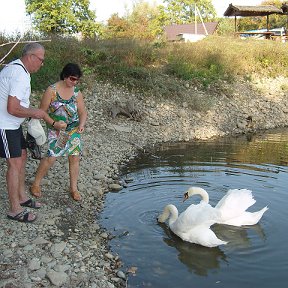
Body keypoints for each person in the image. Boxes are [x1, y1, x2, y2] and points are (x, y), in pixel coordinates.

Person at [0, 42, 63, 222]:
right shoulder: (19, 74)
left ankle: (21, 196)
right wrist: (38, 113)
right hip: (5, 124)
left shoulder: (16, 68)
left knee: (22, 154)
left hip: (13, 124)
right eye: (41, 60)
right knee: (14, 164)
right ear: (31, 57)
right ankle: (14, 209)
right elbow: (12, 108)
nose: (42, 64)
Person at [30, 63, 87, 201]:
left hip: (72, 129)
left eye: (77, 80)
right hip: (56, 129)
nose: (75, 82)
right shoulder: (52, 90)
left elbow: (83, 111)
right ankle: (35, 184)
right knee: (51, 157)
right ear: (65, 76)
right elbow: (41, 112)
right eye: (72, 79)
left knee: (74, 157)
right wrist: (54, 124)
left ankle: (73, 188)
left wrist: (81, 125)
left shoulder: (76, 92)